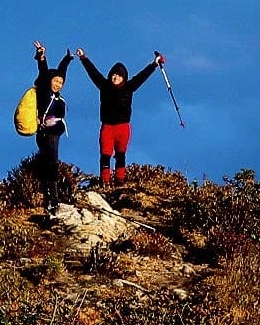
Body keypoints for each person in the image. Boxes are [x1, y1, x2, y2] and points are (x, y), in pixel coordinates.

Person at [78, 49, 162, 186]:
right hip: (107, 127)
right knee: (105, 155)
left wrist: (154, 64)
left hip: (123, 127)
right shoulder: (104, 86)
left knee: (120, 155)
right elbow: (93, 73)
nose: (115, 77)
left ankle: (119, 180)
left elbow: (142, 76)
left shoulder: (129, 87)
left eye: (119, 76)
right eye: (113, 75)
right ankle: (105, 181)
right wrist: (83, 58)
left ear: (124, 77)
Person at [32, 42, 73, 205]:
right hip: (46, 133)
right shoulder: (45, 92)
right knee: (51, 163)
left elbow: (61, 72)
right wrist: (41, 57)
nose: (58, 84)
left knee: (49, 161)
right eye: (55, 81)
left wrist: (67, 59)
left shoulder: (56, 95)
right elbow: (43, 74)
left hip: (54, 133)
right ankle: (52, 198)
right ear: (50, 81)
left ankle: (49, 196)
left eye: (61, 83)